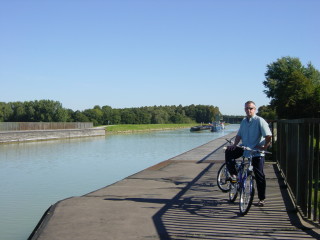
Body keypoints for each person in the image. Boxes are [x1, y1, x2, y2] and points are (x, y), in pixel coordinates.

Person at [225, 101, 272, 207]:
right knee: (229, 151)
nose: (248, 110)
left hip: (256, 152)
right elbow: (239, 135)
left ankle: (261, 199)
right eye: (246, 108)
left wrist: (264, 147)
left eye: (251, 108)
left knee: (259, 174)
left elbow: (268, 136)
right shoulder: (243, 121)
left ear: (255, 109)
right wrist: (234, 145)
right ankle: (234, 175)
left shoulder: (260, 121)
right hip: (245, 148)